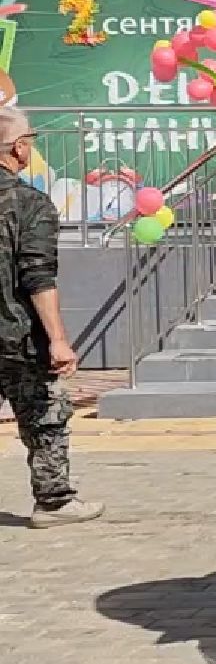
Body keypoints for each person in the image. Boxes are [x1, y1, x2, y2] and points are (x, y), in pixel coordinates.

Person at [0, 109, 99, 528]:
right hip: (15, 334)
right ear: (18, 148)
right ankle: (54, 499)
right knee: (45, 413)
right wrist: (58, 339)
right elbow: (38, 275)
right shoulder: (29, 204)